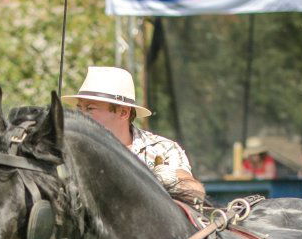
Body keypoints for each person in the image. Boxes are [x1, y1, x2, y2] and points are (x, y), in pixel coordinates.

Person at [62, 66, 206, 203]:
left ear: (123, 112)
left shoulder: (162, 148)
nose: (80, 115)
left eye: (89, 108)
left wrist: (167, 181)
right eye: (79, 108)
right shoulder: (69, 149)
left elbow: (195, 192)